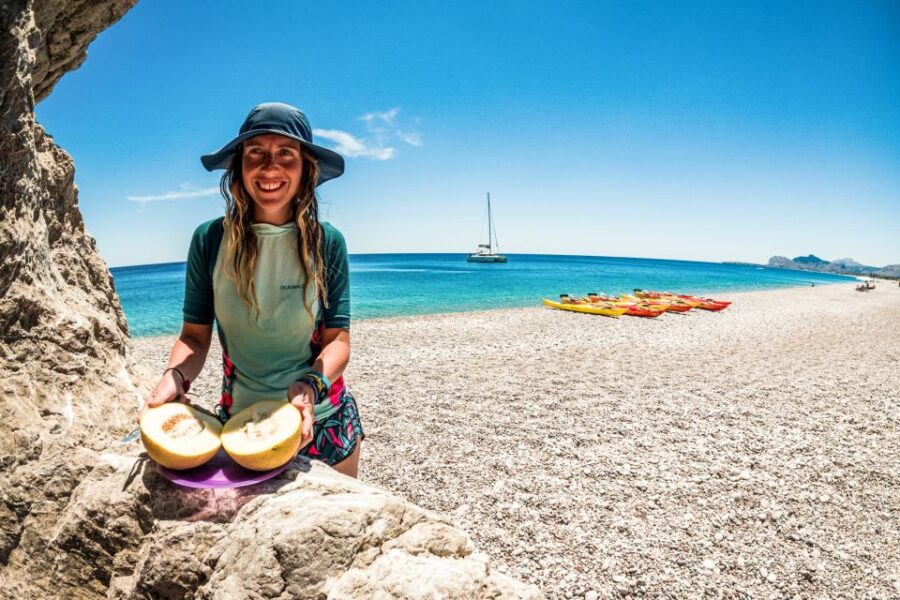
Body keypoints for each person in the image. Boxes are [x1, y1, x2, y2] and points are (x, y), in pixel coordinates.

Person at [139, 102, 363, 477]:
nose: (269, 166)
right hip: (240, 425)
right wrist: (175, 377)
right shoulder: (210, 241)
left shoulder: (327, 243)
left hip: (322, 421)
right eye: (255, 152)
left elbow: (337, 339)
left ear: (306, 168)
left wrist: (309, 385)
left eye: (285, 154)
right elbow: (194, 337)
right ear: (239, 166)